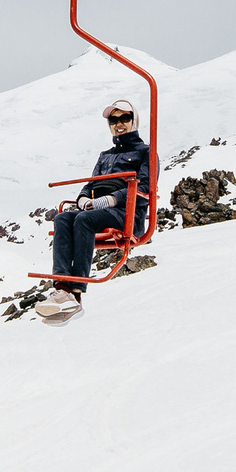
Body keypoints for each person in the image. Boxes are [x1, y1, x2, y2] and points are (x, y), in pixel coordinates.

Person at [39, 98, 152, 318]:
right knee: (63, 218)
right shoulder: (105, 156)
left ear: (134, 121)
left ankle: (77, 291)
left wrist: (111, 199)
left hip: (123, 213)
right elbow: (92, 183)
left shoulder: (145, 152)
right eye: (114, 120)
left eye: (124, 118)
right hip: (97, 209)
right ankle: (62, 288)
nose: (119, 124)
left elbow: (146, 188)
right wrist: (82, 198)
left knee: (83, 220)